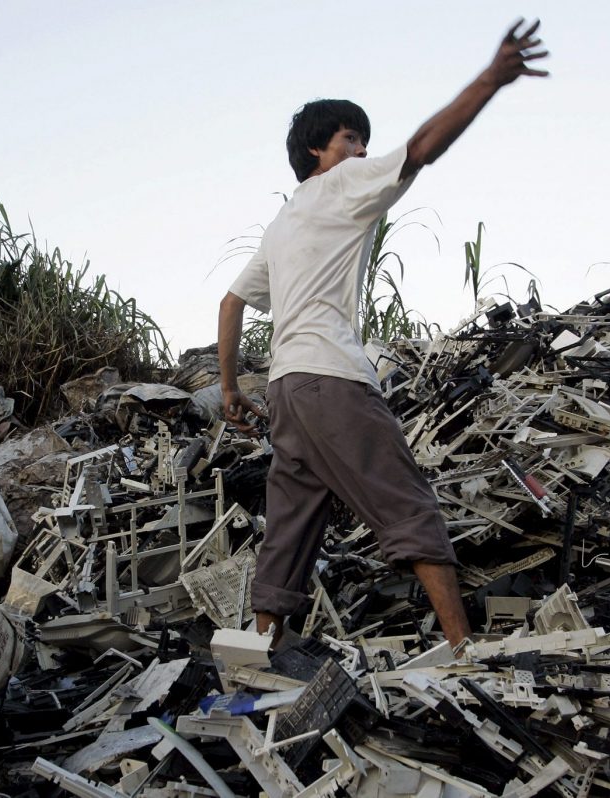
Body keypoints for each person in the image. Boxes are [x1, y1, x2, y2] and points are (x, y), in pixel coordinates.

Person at [218, 20, 549, 650]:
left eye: (364, 140)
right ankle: (462, 649)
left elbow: (231, 302)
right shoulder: (341, 184)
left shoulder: (283, 221)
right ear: (316, 150)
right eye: (350, 138)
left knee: (290, 528)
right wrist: (491, 79)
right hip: (332, 379)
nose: (362, 150)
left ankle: (259, 651)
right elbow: (421, 147)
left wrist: (231, 388)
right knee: (407, 504)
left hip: (287, 390)